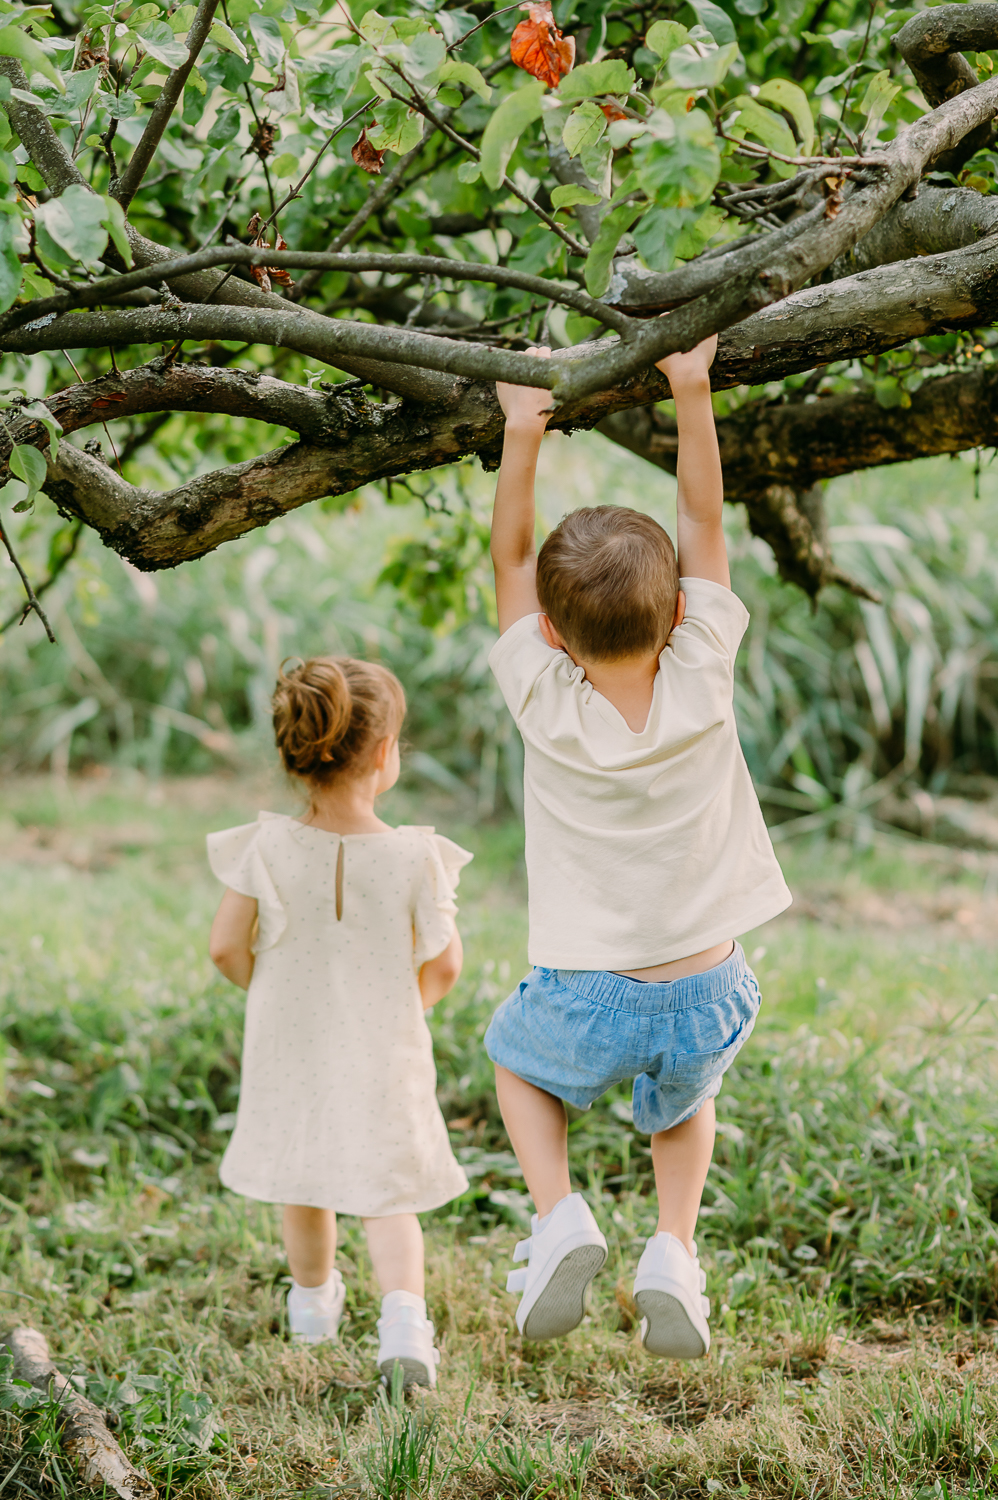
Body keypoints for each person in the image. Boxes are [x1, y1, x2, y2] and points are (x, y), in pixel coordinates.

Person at [485, 337, 791, 1359]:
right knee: (685, 1103)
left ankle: (558, 1213)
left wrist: (521, 429)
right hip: (709, 981)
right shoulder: (702, 668)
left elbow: (507, 560)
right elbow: (701, 517)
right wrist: (690, 384)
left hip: (588, 986)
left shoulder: (541, 696)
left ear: (554, 638)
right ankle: (672, 1248)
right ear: (674, 619)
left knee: (517, 1067)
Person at [206, 656, 471, 1388]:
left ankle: (313, 1309)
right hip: (386, 1051)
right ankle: (403, 1325)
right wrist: (395, 1012)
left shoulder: (264, 847)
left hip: (290, 1046)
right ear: (385, 755)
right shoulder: (419, 857)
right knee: (388, 1187)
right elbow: (445, 967)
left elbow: (225, 947)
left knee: (305, 1172)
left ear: (295, 751)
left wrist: (274, 995)